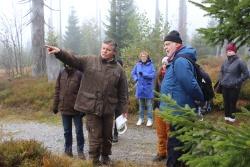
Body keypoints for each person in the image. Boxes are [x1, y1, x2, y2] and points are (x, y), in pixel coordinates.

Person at [46, 40, 128, 166]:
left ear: (114, 52)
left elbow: (123, 93)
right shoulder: (89, 60)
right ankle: (94, 161)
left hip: (108, 109)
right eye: (103, 48)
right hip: (91, 107)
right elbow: (72, 59)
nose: (104, 51)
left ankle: (105, 158)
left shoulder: (119, 70)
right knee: (95, 136)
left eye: (108, 49)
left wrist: (123, 111)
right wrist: (60, 53)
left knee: (107, 136)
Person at [160, 30, 204, 167]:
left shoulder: (180, 61)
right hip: (177, 110)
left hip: (180, 111)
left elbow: (190, 84)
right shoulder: (176, 59)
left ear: (177, 44)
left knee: (176, 147)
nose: (165, 47)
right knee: (179, 144)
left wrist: (200, 99)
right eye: (164, 45)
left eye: (168, 44)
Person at [53, 64, 85, 159]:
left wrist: (83, 109)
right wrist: (55, 105)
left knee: (79, 131)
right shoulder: (61, 72)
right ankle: (68, 150)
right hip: (64, 108)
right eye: (65, 62)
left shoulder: (79, 74)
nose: (68, 64)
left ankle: (80, 151)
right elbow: (57, 90)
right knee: (67, 131)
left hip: (77, 109)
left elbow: (83, 92)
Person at [218, 43, 249, 122]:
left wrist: (237, 82)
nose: (229, 52)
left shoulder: (240, 62)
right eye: (227, 50)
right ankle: (226, 116)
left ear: (235, 51)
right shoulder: (225, 62)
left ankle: (232, 118)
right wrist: (221, 79)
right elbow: (221, 71)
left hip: (234, 87)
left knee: (232, 102)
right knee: (226, 102)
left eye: (231, 50)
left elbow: (246, 74)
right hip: (225, 85)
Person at [152, 56, 170, 162]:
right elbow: (156, 91)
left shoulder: (173, 76)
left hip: (170, 109)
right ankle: (161, 152)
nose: (165, 65)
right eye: (163, 63)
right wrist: (155, 106)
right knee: (160, 133)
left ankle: (170, 153)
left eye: (167, 64)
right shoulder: (158, 76)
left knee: (169, 132)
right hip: (159, 108)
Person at [131, 51, 156, 127]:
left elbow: (153, 75)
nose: (143, 58)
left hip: (148, 87)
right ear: (140, 57)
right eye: (142, 56)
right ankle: (141, 119)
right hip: (140, 87)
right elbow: (133, 73)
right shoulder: (138, 65)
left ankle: (150, 119)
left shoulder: (151, 65)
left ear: (147, 57)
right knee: (141, 104)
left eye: (144, 56)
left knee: (149, 104)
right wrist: (136, 79)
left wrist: (144, 74)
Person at [112, 59, 124, 143]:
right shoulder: (110, 73)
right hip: (110, 100)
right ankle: (108, 134)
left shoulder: (123, 76)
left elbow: (124, 91)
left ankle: (115, 134)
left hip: (118, 101)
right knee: (108, 118)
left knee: (118, 118)